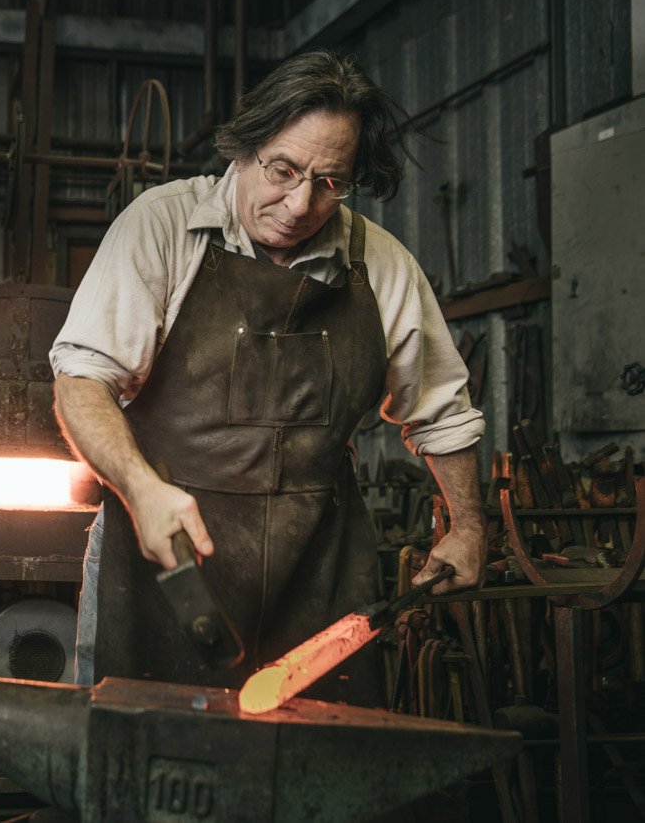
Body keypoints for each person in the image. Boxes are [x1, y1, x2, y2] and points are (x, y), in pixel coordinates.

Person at [52, 50, 486, 699]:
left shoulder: (382, 267)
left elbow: (442, 413)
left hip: (321, 571)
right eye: (283, 170)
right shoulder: (164, 228)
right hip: (168, 563)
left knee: (322, 776)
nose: (299, 202)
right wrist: (140, 487)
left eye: (330, 182)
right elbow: (82, 380)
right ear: (246, 143)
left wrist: (469, 524)